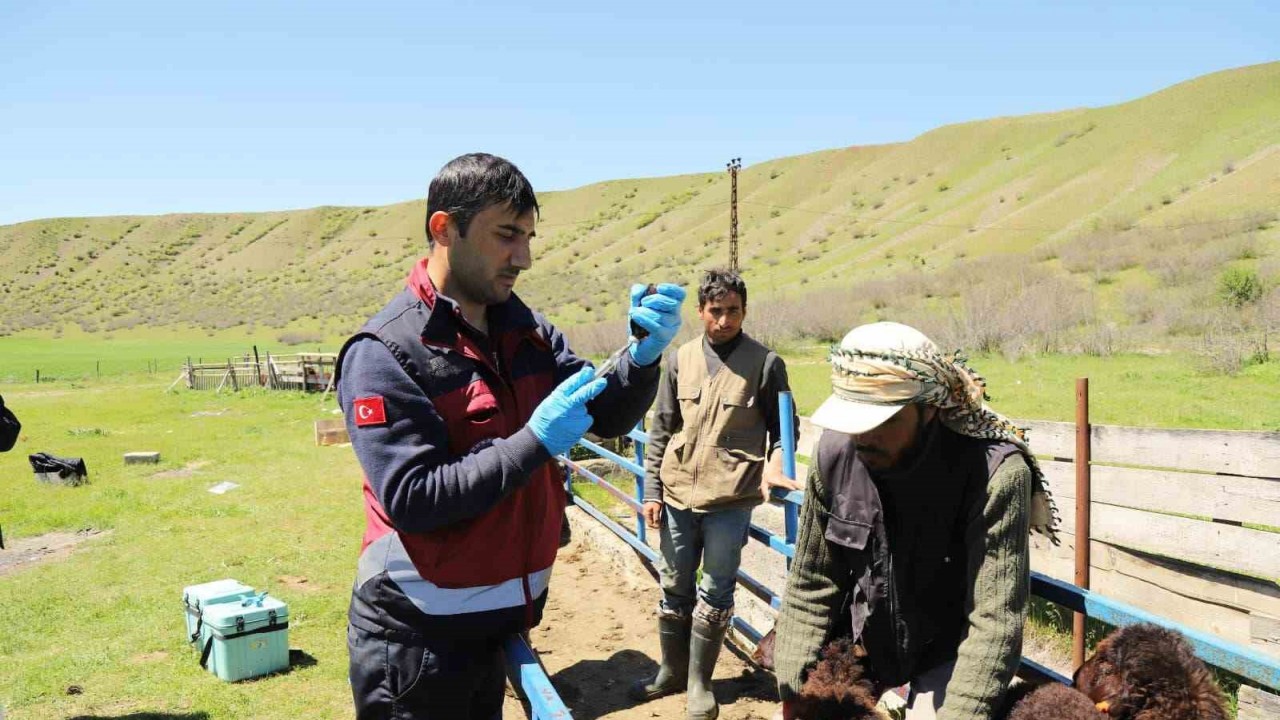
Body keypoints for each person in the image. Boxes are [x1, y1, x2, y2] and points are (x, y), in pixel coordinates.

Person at [336, 153, 686, 719]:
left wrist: (641, 360)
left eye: (528, 236)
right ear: (444, 228)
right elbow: (415, 498)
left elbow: (607, 415)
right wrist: (535, 442)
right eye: (506, 235)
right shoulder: (385, 354)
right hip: (417, 642)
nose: (523, 257)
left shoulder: (527, 331)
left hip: (498, 629)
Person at [772, 322, 1059, 720]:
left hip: (950, 660)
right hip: (865, 648)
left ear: (929, 410)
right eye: (856, 422)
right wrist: (794, 691)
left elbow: (994, 621)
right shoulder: (835, 456)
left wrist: (962, 714)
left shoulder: (993, 475)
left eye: (883, 421)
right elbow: (811, 582)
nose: (864, 438)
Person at [631, 268, 800, 720]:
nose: (725, 320)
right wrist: (651, 490)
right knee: (674, 587)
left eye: (734, 311)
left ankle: (700, 685)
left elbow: (785, 431)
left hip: (731, 497)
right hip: (676, 495)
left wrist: (778, 464)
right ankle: (670, 671)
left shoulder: (766, 363)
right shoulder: (678, 359)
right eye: (716, 311)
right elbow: (661, 428)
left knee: (717, 591)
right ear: (700, 312)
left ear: (745, 311)